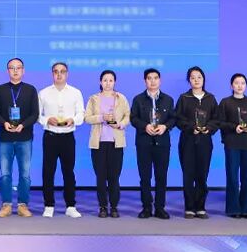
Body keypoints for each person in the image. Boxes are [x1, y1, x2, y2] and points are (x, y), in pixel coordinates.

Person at [0, 58, 39, 218]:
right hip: (5, 137)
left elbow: (35, 114)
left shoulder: (30, 90)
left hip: (24, 137)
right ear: (8, 71)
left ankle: (22, 205)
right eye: (12, 68)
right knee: (5, 174)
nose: (15, 71)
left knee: (25, 174)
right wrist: (4, 123)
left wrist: (23, 125)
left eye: (18, 68)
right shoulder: (0, 90)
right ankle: (6, 204)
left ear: (23, 70)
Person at [38, 62, 85, 218]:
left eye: (62, 71)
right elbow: (37, 115)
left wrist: (73, 120)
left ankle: (70, 206)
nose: (59, 74)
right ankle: (49, 205)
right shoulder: (43, 93)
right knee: (48, 172)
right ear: (52, 74)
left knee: (68, 172)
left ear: (67, 73)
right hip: (50, 136)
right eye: (56, 71)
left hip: (67, 137)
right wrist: (46, 120)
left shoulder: (75, 93)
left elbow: (81, 114)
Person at [130, 68, 176, 219]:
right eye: (149, 78)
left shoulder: (168, 99)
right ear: (145, 81)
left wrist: (165, 126)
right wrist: (145, 126)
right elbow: (133, 118)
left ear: (160, 80)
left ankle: (160, 208)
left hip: (162, 143)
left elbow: (173, 118)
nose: (153, 81)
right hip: (144, 143)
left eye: (155, 78)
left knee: (161, 176)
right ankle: (146, 207)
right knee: (145, 177)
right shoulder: (138, 99)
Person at [216, 73, 247, 219]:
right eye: (237, 83)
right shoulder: (225, 102)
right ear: (231, 85)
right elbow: (220, 122)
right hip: (232, 143)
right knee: (232, 176)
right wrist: (234, 127)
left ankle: (246, 209)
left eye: (242, 83)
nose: (240, 86)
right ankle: (233, 209)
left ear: (246, 86)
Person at [175, 66, 218, 219]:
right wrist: (191, 127)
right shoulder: (184, 98)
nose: (196, 80)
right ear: (189, 81)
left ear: (203, 79)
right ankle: (189, 208)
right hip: (188, 141)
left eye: (199, 77)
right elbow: (178, 118)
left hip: (205, 141)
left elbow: (216, 119)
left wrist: (209, 128)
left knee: (202, 174)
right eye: (193, 78)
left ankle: (200, 207)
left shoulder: (210, 98)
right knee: (188, 175)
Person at [85, 70, 129, 218]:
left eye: (110, 80)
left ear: (114, 82)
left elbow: (128, 115)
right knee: (101, 176)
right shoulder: (93, 99)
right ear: (100, 82)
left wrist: (120, 124)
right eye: (105, 80)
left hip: (116, 143)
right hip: (98, 143)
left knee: (114, 177)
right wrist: (101, 117)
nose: (108, 83)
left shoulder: (121, 98)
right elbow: (87, 118)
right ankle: (103, 206)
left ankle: (114, 206)